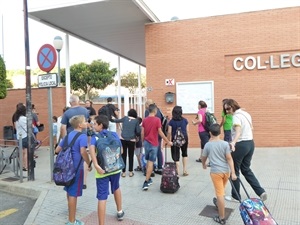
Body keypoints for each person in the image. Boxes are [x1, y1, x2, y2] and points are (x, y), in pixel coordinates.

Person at [224, 99, 267, 203]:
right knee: (246, 169)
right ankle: (260, 191)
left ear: (233, 106)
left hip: (240, 145)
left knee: (234, 170)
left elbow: (238, 132)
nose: (227, 111)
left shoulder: (236, 117)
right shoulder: (246, 114)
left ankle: (235, 196)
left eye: (228, 109)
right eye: (225, 110)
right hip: (250, 144)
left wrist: (233, 142)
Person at [55, 115, 92, 225]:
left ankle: (71, 213)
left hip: (65, 168)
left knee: (69, 190)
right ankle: (72, 221)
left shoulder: (68, 135)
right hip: (76, 168)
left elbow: (57, 150)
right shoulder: (82, 136)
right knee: (73, 194)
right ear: (80, 125)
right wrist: (89, 162)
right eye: (85, 121)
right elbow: (82, 151)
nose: (86, 123)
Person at [89, 115, 125, 225]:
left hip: (102, 172)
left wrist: (96, 165)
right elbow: (121, 151)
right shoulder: (114, 134)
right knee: (116, 187)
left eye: (95, 124)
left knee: (102, 197)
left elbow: (91, 151)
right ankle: (119, 211)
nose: (93, 126)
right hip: (115, 168)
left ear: (100, 125)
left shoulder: (94, 138)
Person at [201, 123, 237, 225]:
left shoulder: (208, 145)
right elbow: (229, 158)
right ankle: (218, 203)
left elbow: (203, 157)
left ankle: (221, 218)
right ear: (220, 133)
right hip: (226, 172)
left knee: (220, 194)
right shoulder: (225, 144)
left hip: (216, 173)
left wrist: (203, 164)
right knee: (221, 190)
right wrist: (233, 173)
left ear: (210, 133)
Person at [61, 95, 90, 189]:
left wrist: (64, 140)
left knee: (72, 157)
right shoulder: (85, 111)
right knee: (84, 158)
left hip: (71, 138)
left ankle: (71, 177)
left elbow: (63, 127)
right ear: (78, 101)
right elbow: (88, 124)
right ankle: (84, 182)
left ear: (70, 103)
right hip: (83, 138)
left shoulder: (67, 113)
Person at [141, 103, 173, 190]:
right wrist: (167, 141)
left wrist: (143, 141)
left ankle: (149, 178)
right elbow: (160, 132)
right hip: (154, 143)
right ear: (155, 111)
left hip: (146, 143)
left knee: (148, 161)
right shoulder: (157, 120)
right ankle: (146, 181)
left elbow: (142, 132)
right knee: (151, 162)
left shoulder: (145, 120)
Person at [111, 109, 141, 178]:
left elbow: (116, 121)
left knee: (123, 155)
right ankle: (130, 172)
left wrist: (112, 118)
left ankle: (123, 172)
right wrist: (137, 136)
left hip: (123, 139)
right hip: (131, 140)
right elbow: (138, 131)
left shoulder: (125, 118)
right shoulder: (136, 121)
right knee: (131, 156)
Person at [167, 106, 189, 176]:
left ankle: (177, 172)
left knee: (176, 156)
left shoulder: (171, 122)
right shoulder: (185, 120)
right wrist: (188, 139)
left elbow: (169, 132)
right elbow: (187, 131)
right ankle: (185, 170)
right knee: (184, 154)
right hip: (184, 139)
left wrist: (168, 140)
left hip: (175, 140)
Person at [144, 99, 163, 175]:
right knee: (158, 151)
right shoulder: (158, 110)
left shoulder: (147, 111)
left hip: (151, 135)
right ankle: (160, 167)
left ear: (148, 105)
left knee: (150, 152)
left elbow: (146, 123)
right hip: (158, 133)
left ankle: (150, 170)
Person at [14, 104, 29, 171]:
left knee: (21, 152)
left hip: (18, 136)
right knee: (25, 152)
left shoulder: (16, 118)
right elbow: (31, 126)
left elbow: (15, 127)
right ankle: (25, 166)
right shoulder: (24, 118)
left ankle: (21, 165)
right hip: (24, 136)